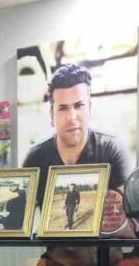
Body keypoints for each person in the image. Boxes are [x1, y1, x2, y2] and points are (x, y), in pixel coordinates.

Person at [23, 64, 129, 209]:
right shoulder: (34, 159)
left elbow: (125, 213)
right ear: (51, 115)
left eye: (79, 105)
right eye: (63, 108)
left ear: (89, 108)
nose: (72, 117)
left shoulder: (111, 151)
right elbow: (23, 215)